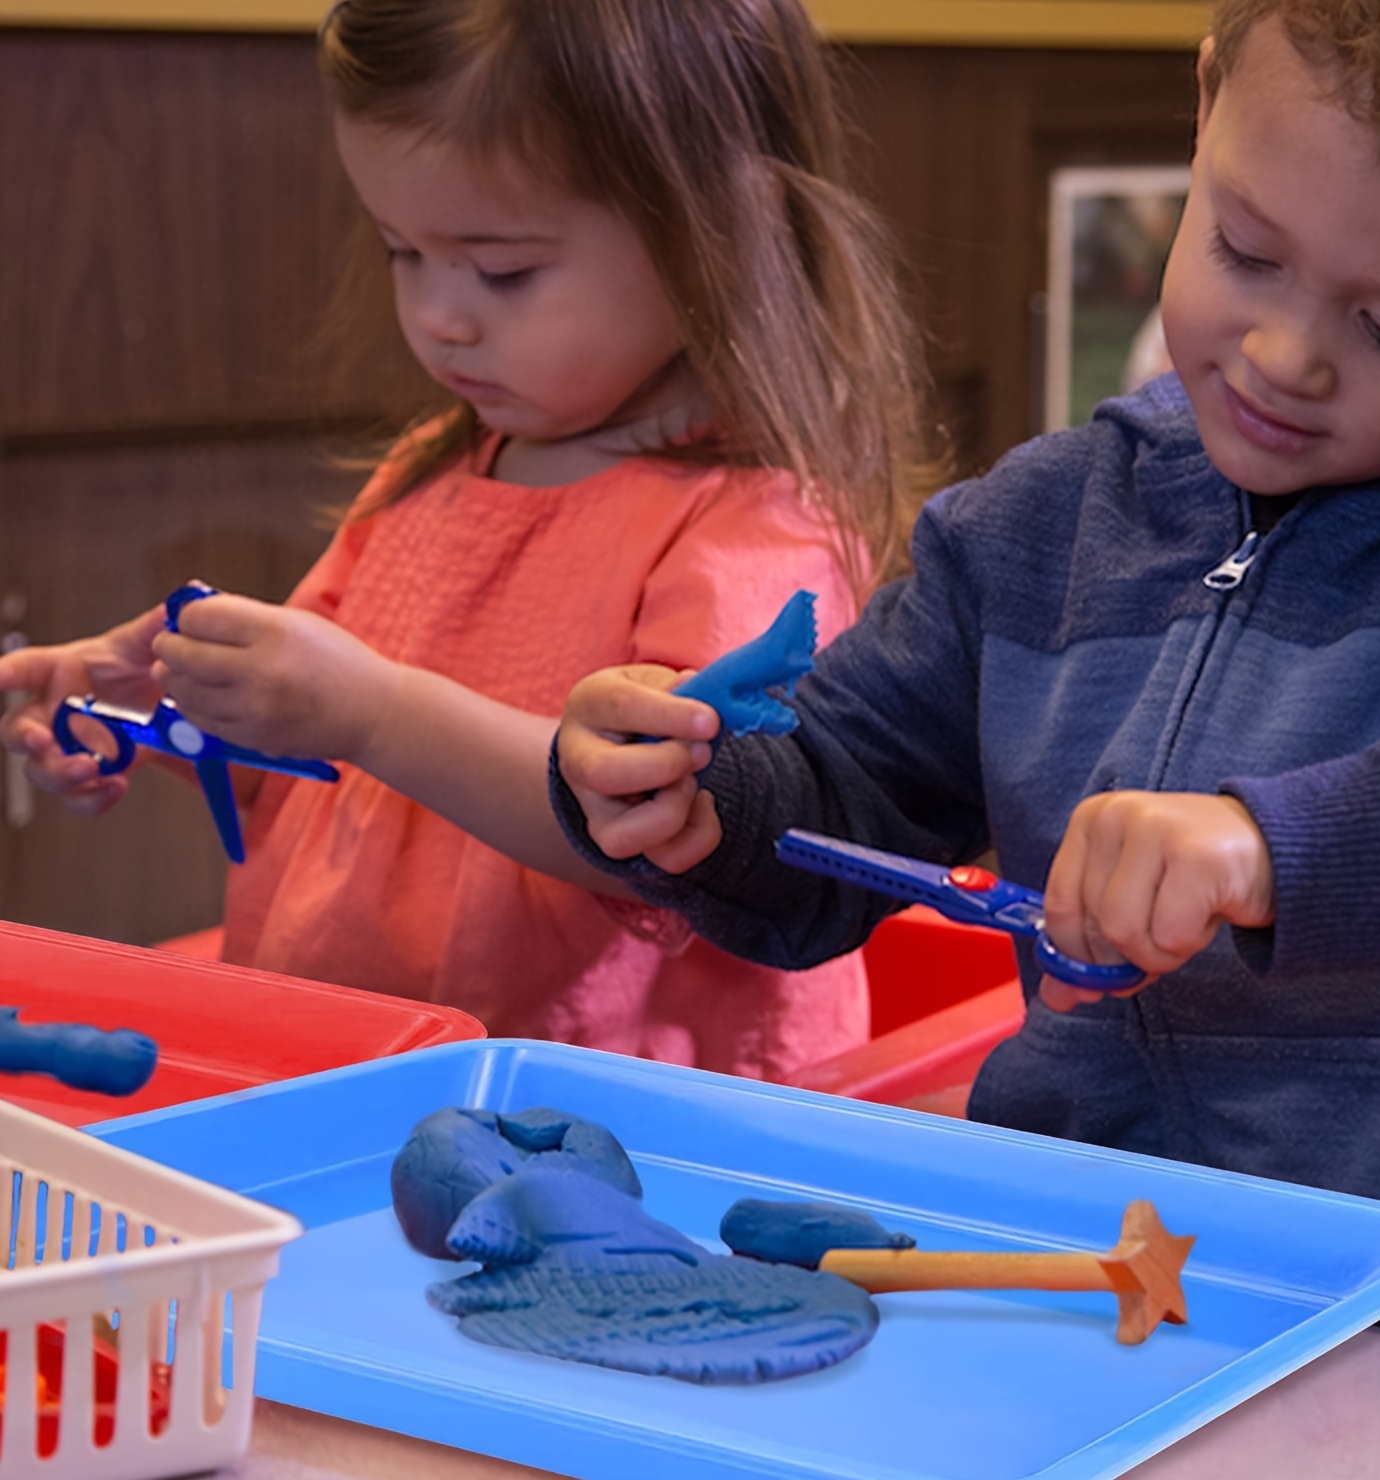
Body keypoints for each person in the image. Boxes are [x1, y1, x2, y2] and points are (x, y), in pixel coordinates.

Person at [552, 0, 1380, 1352]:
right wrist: (703, 800)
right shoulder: (1037, 532)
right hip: (1065, 1280)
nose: (1286, 356)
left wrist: (1267, 848)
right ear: (1206, 103)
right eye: (1244, 250)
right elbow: (843, 793)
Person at [0, 0, 941, 1082]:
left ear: (718, 234)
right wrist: (161, 706)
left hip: (614, 1146)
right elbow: (314, 780)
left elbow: (670, 831)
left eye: (501, 271)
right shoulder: (424, 475)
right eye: (404, 251)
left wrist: (374, 707)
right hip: (361, 1074)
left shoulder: (750, 528)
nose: (441, 314)